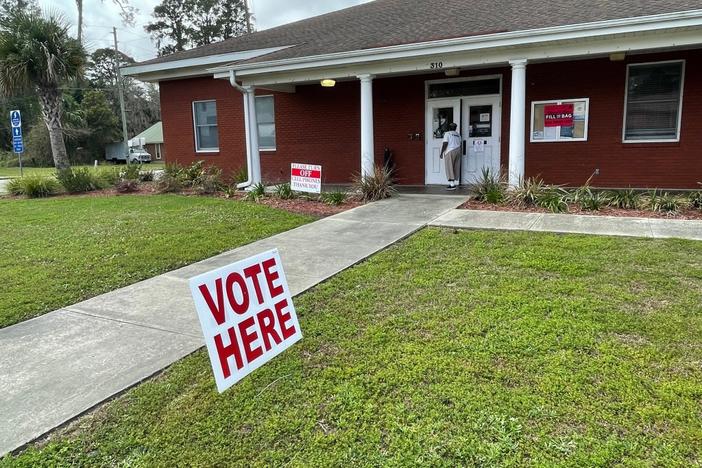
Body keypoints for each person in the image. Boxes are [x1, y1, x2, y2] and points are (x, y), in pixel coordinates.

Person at [440, 122, 461, 190]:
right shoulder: (458, 135)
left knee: (449, 167)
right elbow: (460, 143)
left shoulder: (447, 133)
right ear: (455, 128)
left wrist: (441, 152)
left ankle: (452, 185)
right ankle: (453, 183)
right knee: (455, 166)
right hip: (458, 150)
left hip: (450, 151)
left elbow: (445, 143)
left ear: (449, 127)